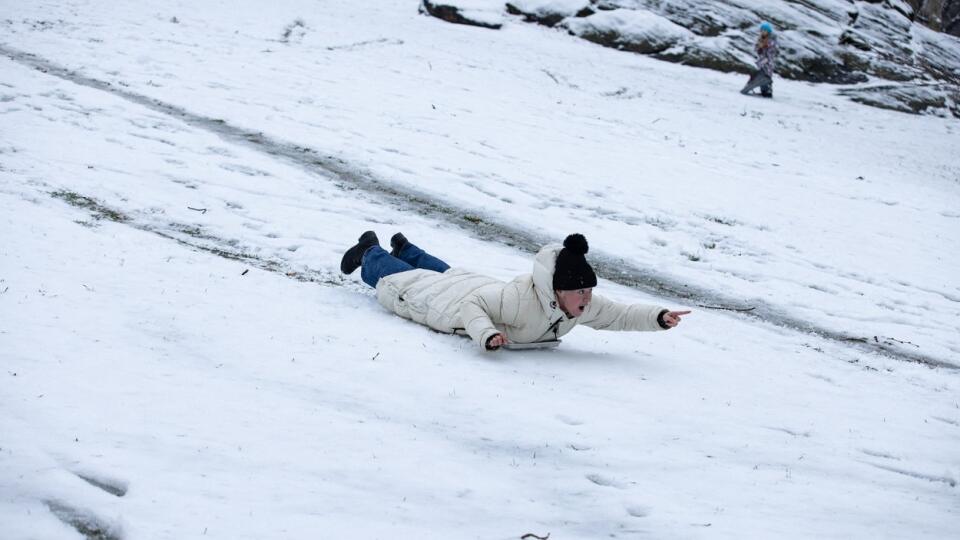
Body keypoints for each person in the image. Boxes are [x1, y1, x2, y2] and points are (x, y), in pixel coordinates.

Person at [340, 231, 690, 350]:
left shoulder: (578, 307)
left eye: (588, 291)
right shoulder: (521, 302)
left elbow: (620, 315)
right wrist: (486, 334)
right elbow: (472, 305)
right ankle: (371, 252)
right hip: (459, 303)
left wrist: (659, 317)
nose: (586, 298)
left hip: (479, 287)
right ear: (558, 290)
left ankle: (408, 250)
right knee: (412, 285)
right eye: (579, 291)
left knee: (449, 274)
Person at [740, 21, 778, 98]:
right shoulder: (760, 39)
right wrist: (759, 46)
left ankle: (767, 91)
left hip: (768, 62)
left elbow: (772, 48)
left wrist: (764, 45)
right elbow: (756, 48)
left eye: (764, 30)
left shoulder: (772, 39)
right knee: (760, 76)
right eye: (762, 30)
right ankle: (765, 91)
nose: (763, 32)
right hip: (761, 61)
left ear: (768, 31)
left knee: (765, 76)